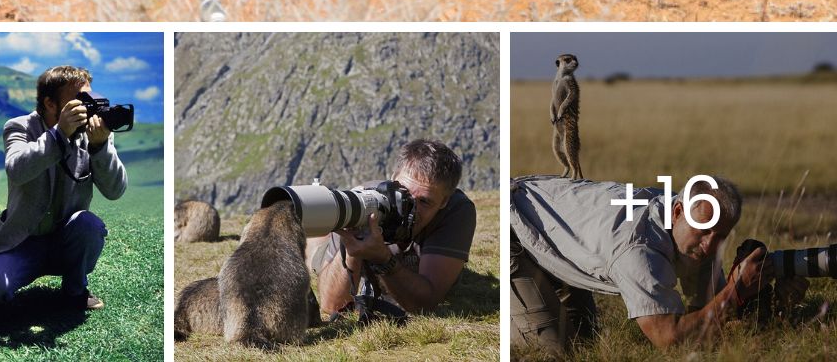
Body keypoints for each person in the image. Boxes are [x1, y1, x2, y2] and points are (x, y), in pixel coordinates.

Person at [510, 174, 809, 354]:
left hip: (561, 236)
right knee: (556, 352)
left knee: (586, 341)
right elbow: (670, 338)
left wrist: (771, 299)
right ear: (677, 211)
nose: (710, 246)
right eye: (703, 232)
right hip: (518, 231)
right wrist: (735, 292)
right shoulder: (639, 249)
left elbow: (710, 315)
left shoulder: (695, 232)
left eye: (721, 236)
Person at [0, 65, 127, 316]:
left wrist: (100, 146)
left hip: (66, 240)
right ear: (50, 103)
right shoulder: (19, 127)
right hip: (21, 241)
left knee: (89, 225)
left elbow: (115, 190)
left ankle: (75, 291)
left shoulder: (93, 132)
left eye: (89, 99)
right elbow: (16, 169)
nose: (86, 107)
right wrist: (59, 135)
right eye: (79, 101)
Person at [307, 138, 477, 316]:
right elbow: (332, 305)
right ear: (393, 179)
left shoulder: (456, 210)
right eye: (404, 194)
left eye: (424, 202)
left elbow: (426, 303)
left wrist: (383, 260)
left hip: (397, 266)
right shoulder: (361, 203)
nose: (411, 208)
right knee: (314, 253)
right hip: (325, 247)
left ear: (444, 202)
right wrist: (351, 251)